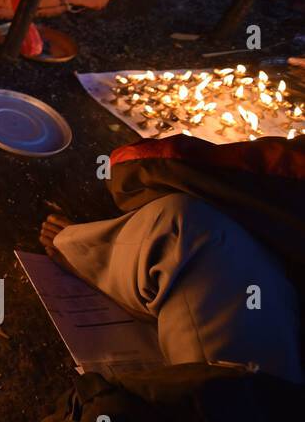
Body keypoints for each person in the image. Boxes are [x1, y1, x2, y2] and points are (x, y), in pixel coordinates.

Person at [39, 134, 304, 384]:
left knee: (183, 226)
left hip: (271, 413)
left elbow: (279, 173)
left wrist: (135, 167)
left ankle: (94, 261)